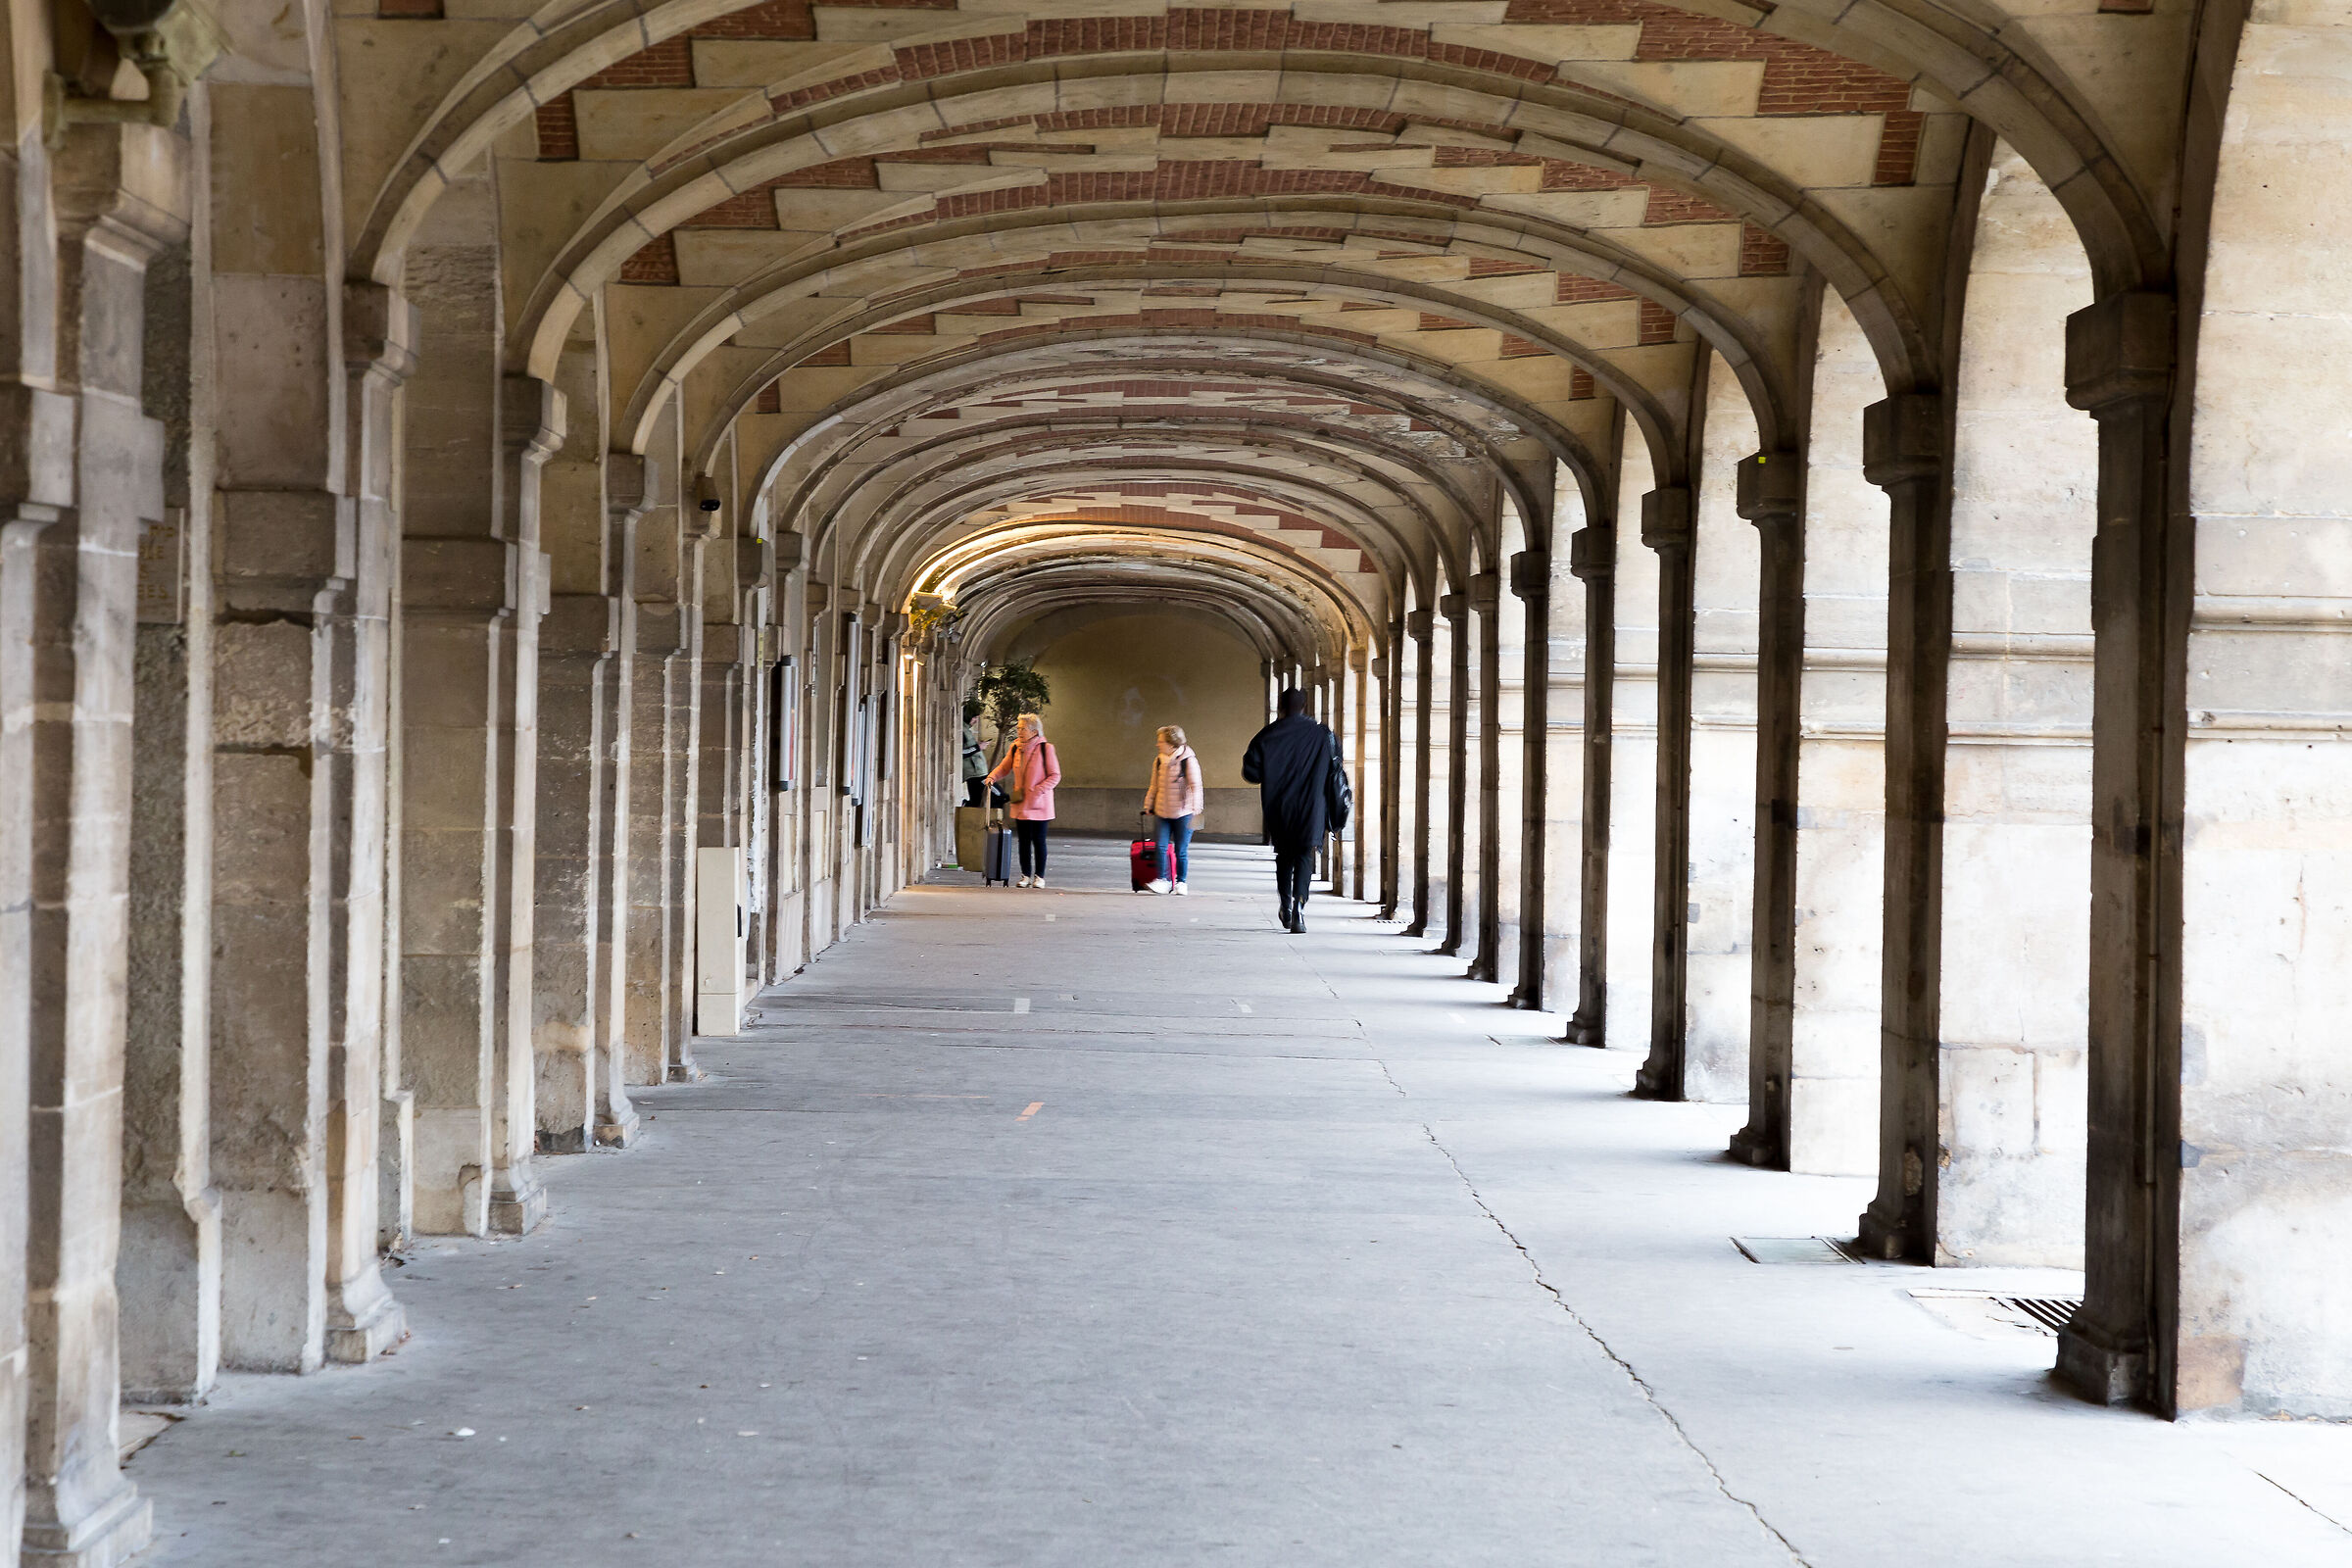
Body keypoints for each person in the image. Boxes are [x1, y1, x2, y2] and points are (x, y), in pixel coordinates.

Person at [1242, 688, 1350, 932]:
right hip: (1312, 808)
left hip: (1279, 806)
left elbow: (1251, 772)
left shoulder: (1267, 735)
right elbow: (1336, 768)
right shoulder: (1323, 735)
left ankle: (1285, 904)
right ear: (1304, 706)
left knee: (1284, 857)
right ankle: (1300, 908)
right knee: (1304, 856)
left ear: (1280, 706)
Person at [981, 711, 1059, 887]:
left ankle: (1039, 877)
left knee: (1038, 840)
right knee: (1023, 840)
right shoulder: (1015, 748)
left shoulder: (1046, 749)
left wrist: (1038, 790)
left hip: (1040, 803)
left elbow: (1055, 775)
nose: (1019, 731)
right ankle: (1025, 876)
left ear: (1034, 731)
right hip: (1021, 801)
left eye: (1022, 728)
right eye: (1018, 728)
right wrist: (992, 777)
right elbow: (1004, 767)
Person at [1139, 724, 1202, 896]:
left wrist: (1197, 809)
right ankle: (1163, 881)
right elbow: (1154, 785)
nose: (1157, 744)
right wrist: (1148, 805)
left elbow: (1196, 786)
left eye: (1160, 741)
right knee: (1160, 847)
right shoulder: (1159, 760)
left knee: (1180, 850)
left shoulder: (1188, 760)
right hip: (1162, 811)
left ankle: (1182, 882)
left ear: (1172, 743)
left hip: (1185, 812)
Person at [960, 703, 988, 806]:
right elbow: (959, 753)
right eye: (974, 717)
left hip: (977, 771)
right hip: (973, 772)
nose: (976, 721)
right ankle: (964, 804)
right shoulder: (962, 731)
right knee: (999, 796)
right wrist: (978, 747)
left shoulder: (966, 729)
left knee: (977, 801)